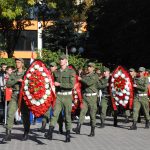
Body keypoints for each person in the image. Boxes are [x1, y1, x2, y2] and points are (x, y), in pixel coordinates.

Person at [44, 55, 76, 142]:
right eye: (60, 59)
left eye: (63, 59)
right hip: (58, 96)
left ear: (66, 61)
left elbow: (71, 85)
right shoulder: (56, 72)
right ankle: (50, 133)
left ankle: (68, 134)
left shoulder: (71, 71)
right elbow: (52, 83)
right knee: (55, 114)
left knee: (67, 115)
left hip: (67, 96)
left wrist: (60, 84)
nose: (61, 61)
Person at [2, 58, 30, 143]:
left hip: (24, 96)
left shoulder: (26, 73)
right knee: (10, 113)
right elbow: (8, 84)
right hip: (14, 95)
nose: (17, 64)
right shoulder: (13, 74)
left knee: (25, 115)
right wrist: (16, 80)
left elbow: (31, 83)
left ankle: (26, 132)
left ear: (22, 63)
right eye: (16, 62)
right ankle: (8, 133)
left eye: (18, 62)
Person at [72, 62, 99, 137]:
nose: (88, 68)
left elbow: (89, 83)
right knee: (82, 112)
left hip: (92, 98)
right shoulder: (85, 75)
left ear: (93, 68)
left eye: (90, 67)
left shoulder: (95, 76)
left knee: (92, 114)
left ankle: (92, 131)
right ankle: (78, 127)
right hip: (85, 97)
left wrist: (81, 79)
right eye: (88, 66)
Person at [37, 62, 58, 133]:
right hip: (48, 96)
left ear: (56, 67)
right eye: (50, 66)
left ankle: (60, 127)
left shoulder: (58, 74)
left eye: (53, 66)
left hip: (56, 96)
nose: (51, 67)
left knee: (56, 112)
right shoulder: (47, 74)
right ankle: (43, 127)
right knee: (46, 111)